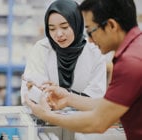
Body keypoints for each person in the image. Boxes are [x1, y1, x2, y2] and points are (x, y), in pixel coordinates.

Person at [25, 0, 142, 140]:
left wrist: (47, 116)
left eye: (91, 31)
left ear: (111, 25)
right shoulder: (136, 49)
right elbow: (108, 104)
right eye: (52, 28)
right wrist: (68, 98)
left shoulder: (131, 62)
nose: (90, 41)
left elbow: (98, 122)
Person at [20, 0, 107, 105]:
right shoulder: (41, 48)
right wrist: (37, 92)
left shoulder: (94, 51)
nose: (59, 34)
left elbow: (97, 98)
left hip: (84, 118)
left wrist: (66, 97)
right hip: (47, 115)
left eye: (65, 27)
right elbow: (30, 92)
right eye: (52, 29)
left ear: (76, 23)